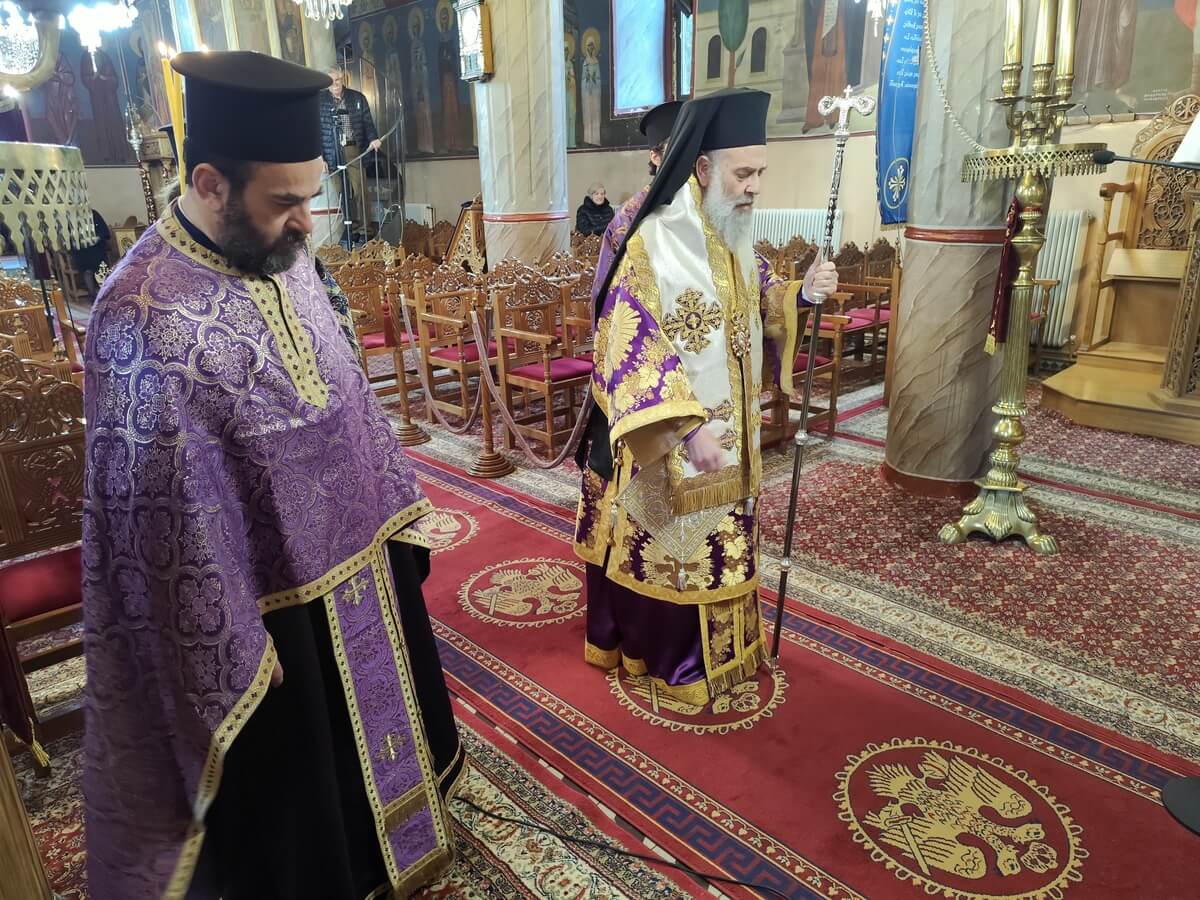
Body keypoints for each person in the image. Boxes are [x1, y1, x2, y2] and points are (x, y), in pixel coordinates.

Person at [82, 51, 461, 900]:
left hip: (360, 568)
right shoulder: (137, 314)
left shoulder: (281, 257)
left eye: (312, 196)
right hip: (264, 613)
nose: (308, 224)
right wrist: (230, 639)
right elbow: (151, 517)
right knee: (302, 819)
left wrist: (393, 516)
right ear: (210, 183)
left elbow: (346, 392)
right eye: (286, 201)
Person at [573, 88, 838, 707]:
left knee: (727, 538)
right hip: (677, 437)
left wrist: (803, 293)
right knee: (679, 548)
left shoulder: (732, 232)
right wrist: (688, 427)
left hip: (734, 434)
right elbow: (625, 335)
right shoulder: (653, 239)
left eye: (760, 174)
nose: (754, 188)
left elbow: (760, 295)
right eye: (743, 174)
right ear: (702, 168)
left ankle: (731, 651)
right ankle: (674, 660)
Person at [593, 100, 682, 296]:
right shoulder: (628, 217)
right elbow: (609, 288)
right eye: (678, 148)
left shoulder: (706, 206)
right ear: (655, 157)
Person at [319, 64, 382, 243]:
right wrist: (320, 157)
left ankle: (365, 229)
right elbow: (315, 131)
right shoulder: (319, 101)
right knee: (341, 193)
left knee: (359, 189)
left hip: (352, 148)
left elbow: (367, 122)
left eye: (338, 79)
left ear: (343, 79)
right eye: (331, 81)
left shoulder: (357, 97)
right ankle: (351, 228)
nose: (335, 84)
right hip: (331, 151)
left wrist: (374, 139)